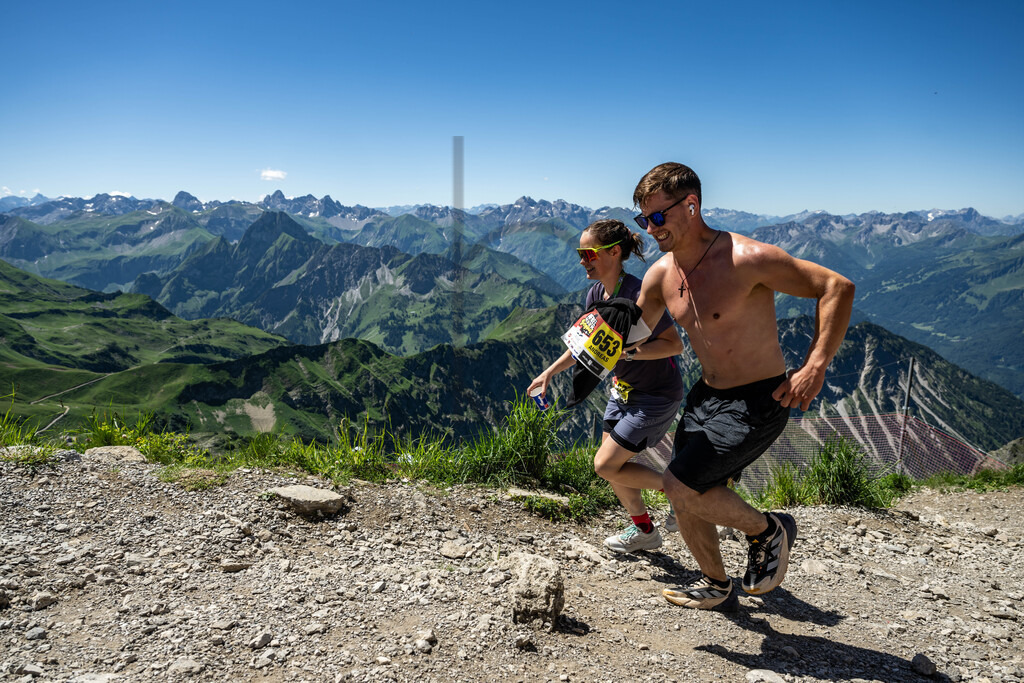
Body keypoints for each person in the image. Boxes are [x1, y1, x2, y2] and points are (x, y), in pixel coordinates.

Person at [632, 162, 855, 610]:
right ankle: (716, 584)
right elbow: (634, 331)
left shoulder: (746, 258)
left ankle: (768, 530)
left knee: (678, 485)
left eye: (658, 217)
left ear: (691, 205)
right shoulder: (660, 275)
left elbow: (837, 287)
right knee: (685, 495)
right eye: (644, 220)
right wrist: (590, 348)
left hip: (758, 399)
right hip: (705, 397)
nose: (651, 229)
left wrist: (815, 365)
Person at [528, 219, 686, 553]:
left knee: (604, 465)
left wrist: (628, 352)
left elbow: (674, 345)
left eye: (589, 254)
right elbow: (585, 345)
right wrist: (549, 373)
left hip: (656, 395)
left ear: (614, 253)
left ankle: (682, 492)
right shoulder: (596, 294)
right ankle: (644, 531)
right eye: (580, 253)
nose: (582, 261)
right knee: (613, 469)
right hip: (622, 391)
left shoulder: (639, 294)